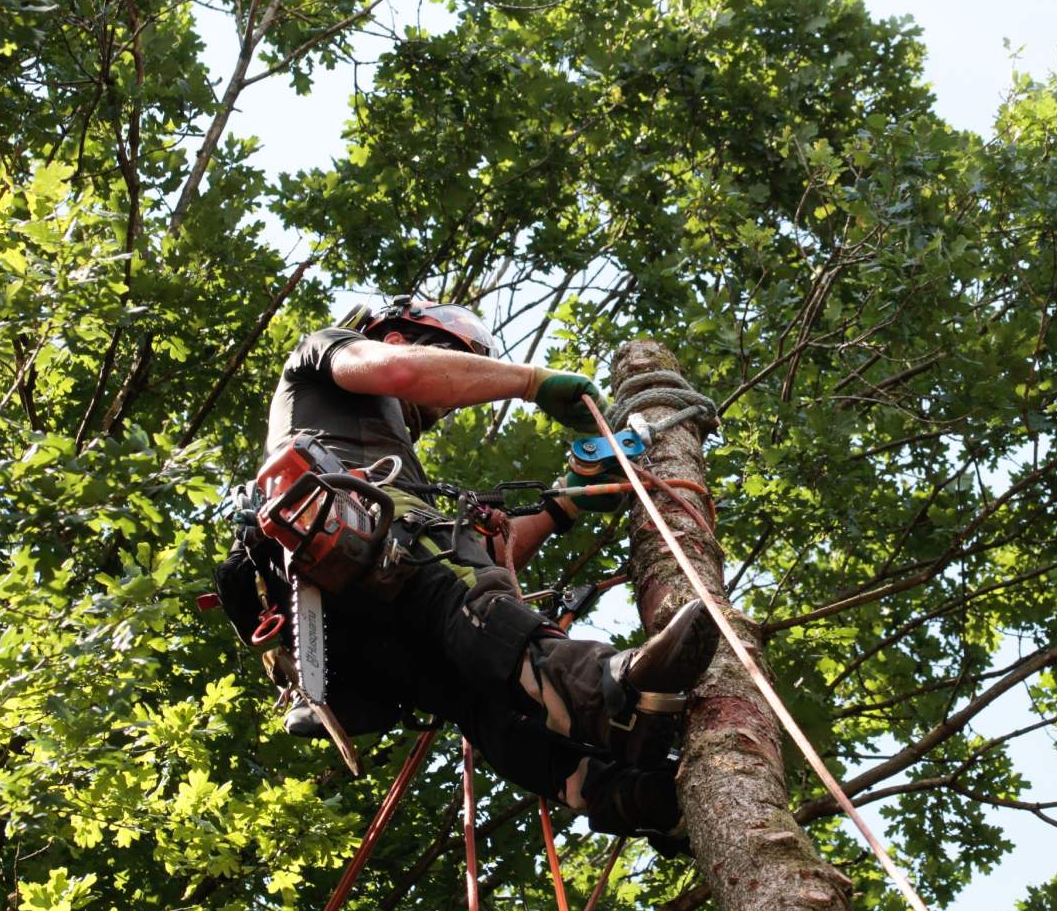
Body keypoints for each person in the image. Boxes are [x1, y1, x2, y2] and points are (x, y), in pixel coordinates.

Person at [236, 296, 714, 841]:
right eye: (449, 361)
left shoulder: (375, 453)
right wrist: (535, 382)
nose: (441, 413)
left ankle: (631, 795)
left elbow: (487, 556)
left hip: (351, 626)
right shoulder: (322, 353)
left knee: (478, 693)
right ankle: (612, 691)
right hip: (346, 546)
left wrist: (567, 501)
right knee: (464, 594)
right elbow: (401, 371)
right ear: (397, 336)